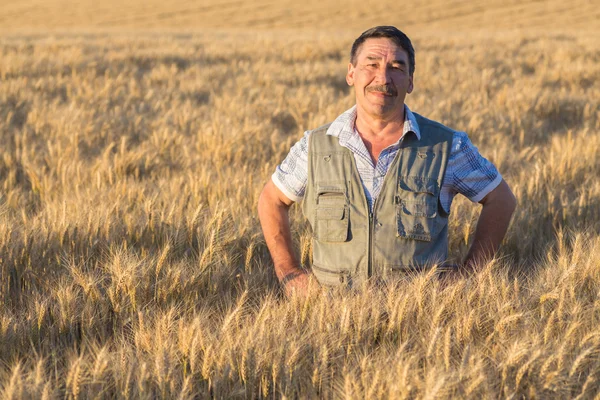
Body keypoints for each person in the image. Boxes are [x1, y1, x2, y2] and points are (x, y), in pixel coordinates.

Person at [258, 26, 516, 296]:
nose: (383, 77)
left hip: (421, 321)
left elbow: (501, 199)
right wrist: (288, 274)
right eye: (371, 64)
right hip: (330, 318)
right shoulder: (315, 146)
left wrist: (470, 275)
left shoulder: (446, 146)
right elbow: (271, 200)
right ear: (351, 73)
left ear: (411, 81)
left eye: (396, 67)